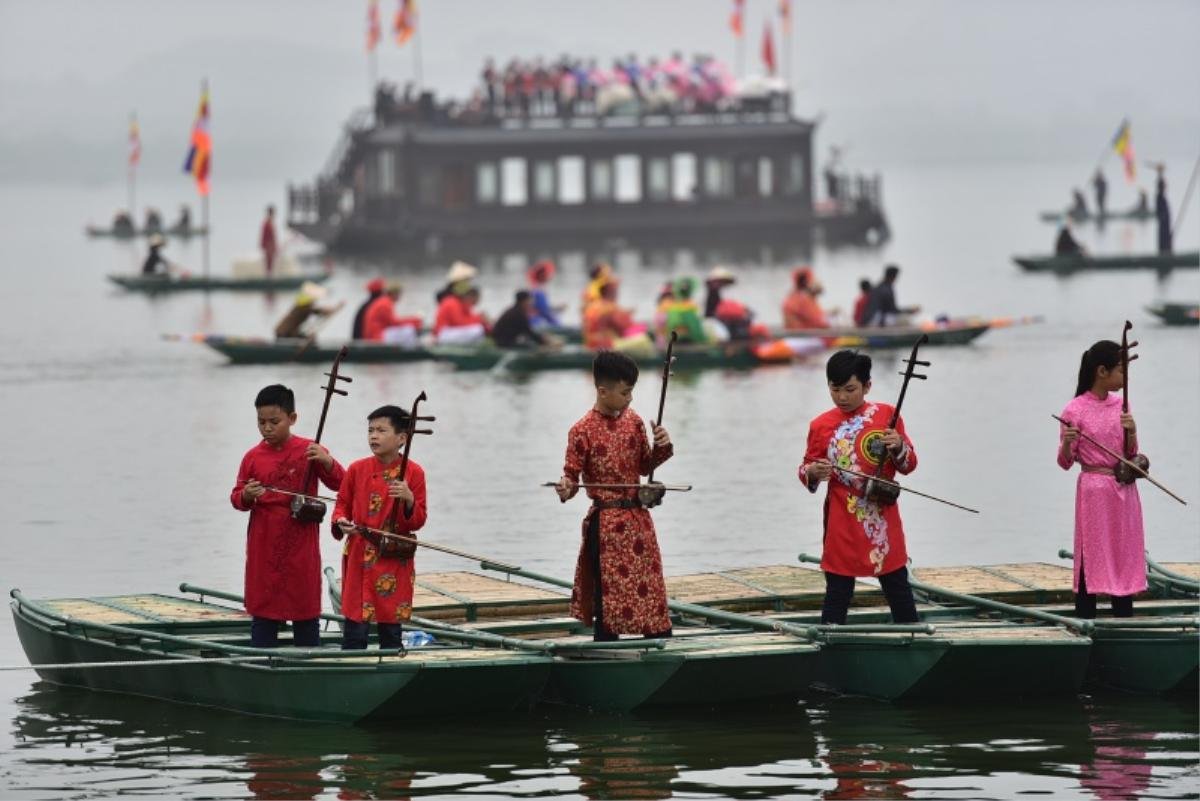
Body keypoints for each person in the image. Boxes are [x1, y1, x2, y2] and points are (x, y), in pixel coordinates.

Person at [555, 351, 674, 641]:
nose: (630, 399)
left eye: (632, 391)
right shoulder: (581, 431)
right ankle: (607, 644)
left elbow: (645, 465)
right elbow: (570, 478)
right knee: (608, 599)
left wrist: (662, 445)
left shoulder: (633, 421)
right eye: (625, 392)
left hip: (638, 521)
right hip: (605, 525)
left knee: (650, 589)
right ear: (602, 391)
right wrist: (565, 488)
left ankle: (658, 640)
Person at [798, 350, 920, 625]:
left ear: (867, 386)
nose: (842, 397)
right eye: (835, 389)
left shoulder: (888, 415)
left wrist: (899, 446)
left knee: (897, 586)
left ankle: (912, 634)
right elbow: (805, 467)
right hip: (842, 519)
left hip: (881, 518)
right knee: (838, 590)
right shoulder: (820, 425)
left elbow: (909, 465)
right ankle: (830, 642)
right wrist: (814, 472)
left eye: (850, 389)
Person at [230, 384, 345, 647]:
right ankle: (260, 660)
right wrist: (247, 494)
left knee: (305, 609)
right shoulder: (252, 457)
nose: (267, 428)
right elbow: (236, 498)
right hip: (263, 544)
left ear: (292, 419)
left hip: (300, 543)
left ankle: (309, 658)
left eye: (274, 421)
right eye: (261, 422)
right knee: (263, 612)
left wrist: (326, 461)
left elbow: (343, 484)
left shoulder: (310, 450)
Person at [1057, 341, 1146, 619]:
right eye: (1122, 371)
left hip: (1124, 489)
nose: (1126, 378)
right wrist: (1068, 444)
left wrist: (1132, 430)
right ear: (1102, 371)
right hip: (1094, 491)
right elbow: (1065, 463)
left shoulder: (1122, 405)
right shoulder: (1074, 410)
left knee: (1124, 552)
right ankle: (1085, 616)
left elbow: (1130, 453)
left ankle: (1124, 616)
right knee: (1091, 553)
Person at [332, 405, 428, 650]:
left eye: (381, 430)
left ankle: (392, 663)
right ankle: (352, 669)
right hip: (359, 554)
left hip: (392, 557)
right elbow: (341, 505)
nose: (373, 436)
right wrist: (342, 523)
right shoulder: (356, 469)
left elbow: (417, 520)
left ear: (401, 438)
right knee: (355, 627)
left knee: (390, 625)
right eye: (370, 430)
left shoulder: (414, 472)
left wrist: (408, 498)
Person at [274, 281, 343, 339]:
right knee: (310, 338)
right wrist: (335, 308)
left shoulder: (301, 306)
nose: (314, 301)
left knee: (308, 337)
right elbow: (321, 311)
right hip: (285, 334)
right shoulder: (304, 308)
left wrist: (334, 308)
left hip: (287, 333)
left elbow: (319, 311)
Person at [362, 280, 423, 345]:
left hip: (377, 334)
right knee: (409, 331)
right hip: (376, 336)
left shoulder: (385, 301)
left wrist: (413, 321)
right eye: (399, 294)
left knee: (408, 329)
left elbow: (391, 323)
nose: (400, 296)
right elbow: (393, 323)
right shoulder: (385, 303)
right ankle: (411, 352)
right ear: (394, 293)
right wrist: (415, 321)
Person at [583, 279, 637, 350]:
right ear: (609, 291)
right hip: (605, 346)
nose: (617, 292)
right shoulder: (610, 307)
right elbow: (625, 327)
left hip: (590, 344)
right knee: (643, 343)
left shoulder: (592, 306)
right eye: (615, 289)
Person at [659, 276, 708, 344]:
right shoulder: (693, 307)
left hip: (674, 338)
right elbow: (696, 327)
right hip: (690, 338)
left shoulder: (673, 307)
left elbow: (669, 325)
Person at [527, 260, 565, 328]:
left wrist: (556, 309)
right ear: (542, 275)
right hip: (537, 323)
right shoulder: (538, 291)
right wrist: (558, 324)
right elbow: (543, 311)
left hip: (536, 321)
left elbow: (541, 308)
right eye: (548, 274)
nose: (550, 276)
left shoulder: (535, 289)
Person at [1154, 166, 1173, 255]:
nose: (1166, 186)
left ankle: (1166, 252)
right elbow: (1161, 213)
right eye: (1164, 185)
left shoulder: (1161, 197)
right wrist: (1160, 174)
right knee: (1164, 242)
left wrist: (1161, 174)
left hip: (1165, 225)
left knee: (1166, 241)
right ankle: (1165, 254)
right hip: (1163, 225)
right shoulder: (1160, 197)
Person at [260, 205, 278, 275]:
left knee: (271, 264)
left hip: (270, 246)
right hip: (268, 246)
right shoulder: (267, 223)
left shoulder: (270, 223)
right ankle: (268, 277)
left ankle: (270, 275)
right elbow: (265, 236)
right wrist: (267, 246)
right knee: (268, 263)